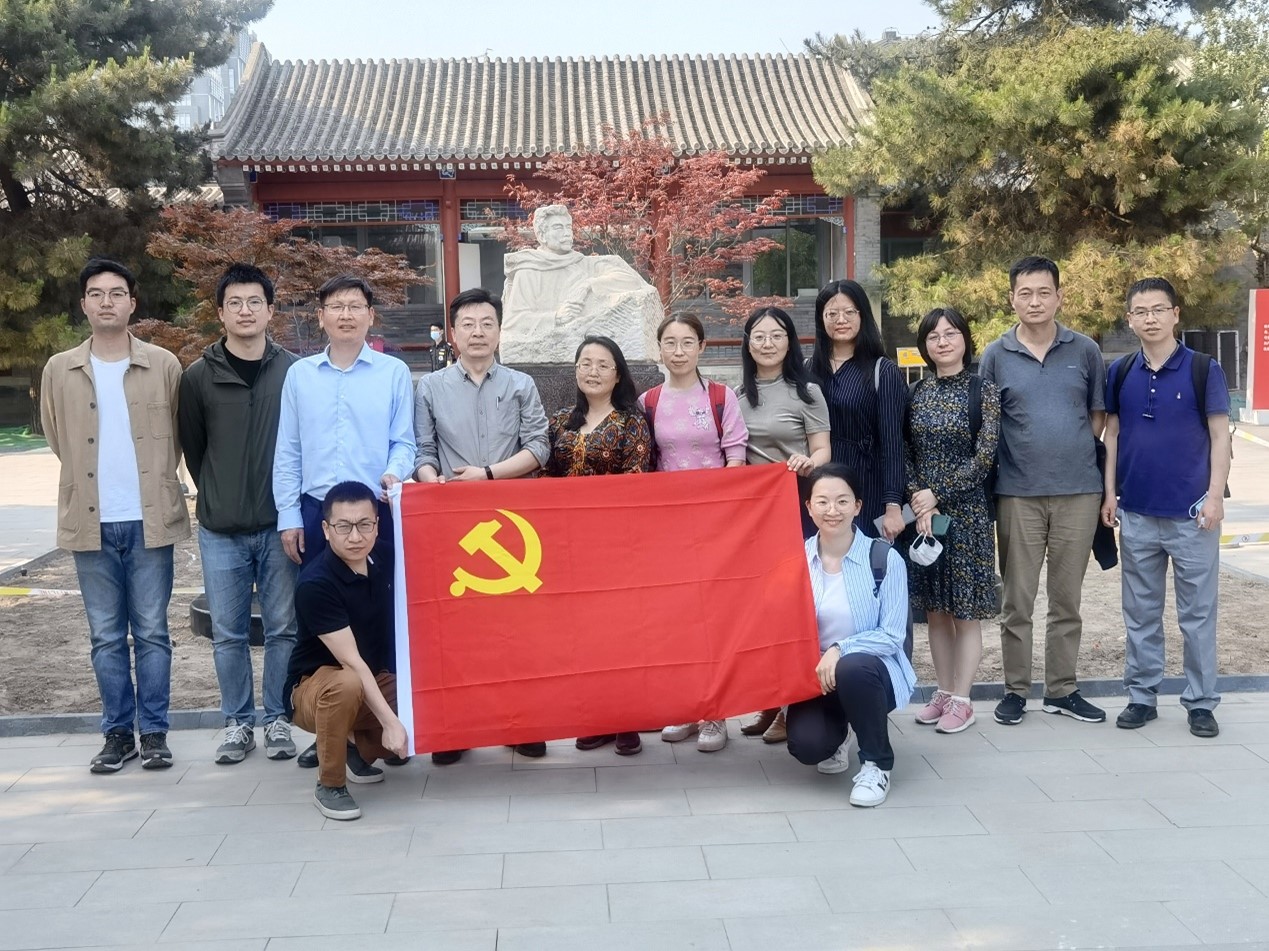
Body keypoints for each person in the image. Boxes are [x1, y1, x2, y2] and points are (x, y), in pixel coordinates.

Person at [40, 258, 189, 773]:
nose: (107, 302)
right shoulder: (60, 368)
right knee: (105, 636)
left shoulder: (163, 364)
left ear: (132, 303)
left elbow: (178, 435)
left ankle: (155, 733)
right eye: (97, 293)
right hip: (90, 522)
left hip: (150, 521)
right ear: (84, 304)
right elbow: (57, 437)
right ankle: (117, 733)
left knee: (152, 633)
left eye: (117, 293)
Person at [414, 287, 551, 763]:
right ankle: (456, 730)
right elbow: (423, 451)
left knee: (516, 630)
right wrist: (433, 483)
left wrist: (488, 475)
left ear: (499, 331)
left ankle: (520, 723)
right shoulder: (430, 388)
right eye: (468, 324)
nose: (477, 332)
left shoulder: (521, 384)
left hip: (513, 523)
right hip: (452, 523)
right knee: (457, 631)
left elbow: (539, 447)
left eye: (486, 323)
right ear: (452, 334)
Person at [179, 263, 300, 765]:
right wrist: (219, 493)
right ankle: (237, 723)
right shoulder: (197, 377)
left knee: (283, 628)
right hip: (220, 528)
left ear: (271, 311)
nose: (245, 311)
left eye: (255, 302)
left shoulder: (294, 372)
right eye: (235, 303)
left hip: (279, 526)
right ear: (221, 312)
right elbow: (194, 449)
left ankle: (277, 718)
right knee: (227, 633)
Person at [980, 256, 1107, 726]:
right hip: (1017, 493)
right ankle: (1016, 690)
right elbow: (988, 424)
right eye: (1025, 293)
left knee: (1066, 600)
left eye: (1044, 292)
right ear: (1011, 298)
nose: (1034, 301)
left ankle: (1062, 689)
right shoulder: (996, 354)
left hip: (1079, 492)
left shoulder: (1085, 350)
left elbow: (1097, 416)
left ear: (1059, 296)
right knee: (1017, 601)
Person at [1101, 278, 1230, 738]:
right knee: (1140, 613)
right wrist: (1109, 493)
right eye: (1140, 311)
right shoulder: (1120, 371)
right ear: (1129, 319)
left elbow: (1220, 436)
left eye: (1158, 309)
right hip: (1136, 513)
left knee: (1197, 616)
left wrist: (1214, 496)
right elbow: (1112, 435)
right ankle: (1141, 696)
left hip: (1194, 516)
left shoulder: (1203, 368)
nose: (1150, 318)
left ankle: (1201, 702)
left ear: (1176, 313)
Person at [639, 313, 748, 752]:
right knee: (677, 617)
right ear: (659, 348)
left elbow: (736, 457)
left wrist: (723, 513)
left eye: (687, 342)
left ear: (702, 347)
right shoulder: (648, 401)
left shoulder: (721, 397)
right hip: (668, 528)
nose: (679, 351)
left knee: (714, 619)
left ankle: (715, 713)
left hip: (714, 525)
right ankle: (685, 705)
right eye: (670, 342)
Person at [544, 334, 654, 755]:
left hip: (615, 545)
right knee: (581, 633)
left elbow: (636, 482)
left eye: (602, 364)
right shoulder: (559, 421)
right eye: (585, 363)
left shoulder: (631, 422)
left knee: (619, 632)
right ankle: (596, 715)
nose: (592, 371)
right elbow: (546, 477)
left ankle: (626, 718)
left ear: (618, 374)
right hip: (567, 546)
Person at [786, 463, 916, 807]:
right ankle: (841, 730)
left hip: (872, 674)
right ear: (808, 507)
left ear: (858, 506)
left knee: (853, 666)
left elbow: (892, 636)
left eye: (843, 501)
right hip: (818, 677)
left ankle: (876, 764)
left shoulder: (884, 558)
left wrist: (840, 648)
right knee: (807, 746)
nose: (833, 510)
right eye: (823, 501)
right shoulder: (796, 559)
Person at [734, 305, 831, 744]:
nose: (767, 343)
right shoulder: (738, 395)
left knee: (796, 607)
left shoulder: (807, 392)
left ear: (790, 341)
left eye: (776, 335)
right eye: (759, 335)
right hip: (754, 519)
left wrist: (808, 462)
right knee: (762, 611)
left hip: (795, 508)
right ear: (748, 343)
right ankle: (770, 701)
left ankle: (796, 706)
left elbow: (823, 449)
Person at [273, 274, 416, 569]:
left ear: (370, 315)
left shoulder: (394, 372)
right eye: (336, 307)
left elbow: (403, 442)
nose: (346, 315)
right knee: (317, 594)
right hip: (316, 512)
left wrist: (394, 472)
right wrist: (289, 516)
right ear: (321, 316)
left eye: (355, 306)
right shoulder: (300, 375)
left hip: (374, 510)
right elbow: (288, 451)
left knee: (378, 594)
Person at [285, 481, 409, 820]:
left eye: (364, 524)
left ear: (377, 525)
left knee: (424, 693)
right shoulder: (316, 583)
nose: (355, 536)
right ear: (326, 530)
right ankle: (330, 784)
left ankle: (355, 748)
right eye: (344, 526)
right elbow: (350, 662)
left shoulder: (385, 556)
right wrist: (391, 723)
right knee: (347, 683)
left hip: (371, 677)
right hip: (314, 688)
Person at [904, 307, 1000, 735]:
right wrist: (921, 501)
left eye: (950, 333)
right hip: (926, 518)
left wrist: (937, 494)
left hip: (968, 515)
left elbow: (984, 457)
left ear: (965, 339)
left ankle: (963, 699)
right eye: (933, 336)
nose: (942, 342)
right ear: (924, 345)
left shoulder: (984, 391)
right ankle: (943, 692)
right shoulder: (916, 393)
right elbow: (905, 452)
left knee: (965, 612)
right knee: (936, 611)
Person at [808, 280, 907, 541]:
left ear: (862, 315)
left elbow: (893, 443)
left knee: (864, 557)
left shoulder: (882, 371)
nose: (841, 320)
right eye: (832, 313)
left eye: (849, 312)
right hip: (818, 484)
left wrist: (893, 504)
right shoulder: (808, 369)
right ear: (821, 319)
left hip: (867, 482)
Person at [500, 203, 662, 362]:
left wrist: (588, 285)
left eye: (568, 227)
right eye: (558, 228)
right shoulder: (528, 271)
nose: (567, 233)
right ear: (542, 235)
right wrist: (556, 317)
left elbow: (631, 280)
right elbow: (514, 322)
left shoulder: (584, 264)